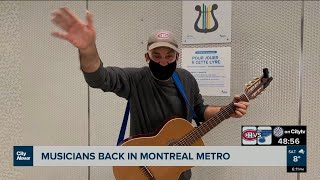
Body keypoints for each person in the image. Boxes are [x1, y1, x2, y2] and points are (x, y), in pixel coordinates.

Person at [51, 7, 249, 180]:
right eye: (157, 55)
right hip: (141, 167)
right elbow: (98, 78)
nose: (163, 61)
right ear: (147, 56)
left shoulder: (187, 79)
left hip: (178, 173)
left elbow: (199, 111)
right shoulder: (134, 79)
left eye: (169, 56)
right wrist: (88, 49)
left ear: (177, 57)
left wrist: (227, 110)